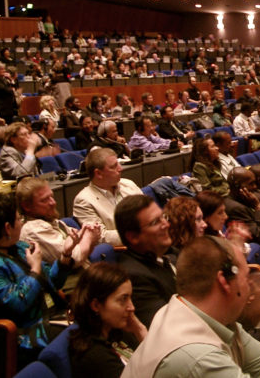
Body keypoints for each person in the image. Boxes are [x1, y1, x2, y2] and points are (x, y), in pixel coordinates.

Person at [121, 236, 260, 378]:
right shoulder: (196, 358)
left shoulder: (208, 318)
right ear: (225, 282)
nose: (251, 286)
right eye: (246, 277)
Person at [0, 192, 79, 362]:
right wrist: (35, 270)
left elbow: (53, 282)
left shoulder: (20, 247)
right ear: (7, 228)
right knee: (84, 338)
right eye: (19, 219)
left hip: (51, 315)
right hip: (25, 333)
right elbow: (18, 304)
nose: (22, 223)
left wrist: (65, 255)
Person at [69, 263, 148, 378]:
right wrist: (142, 333)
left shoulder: (116, 331)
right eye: (123, 299)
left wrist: (140, 330)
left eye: (130, 298)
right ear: (96, 305)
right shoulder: (94, 356)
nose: (132, 307)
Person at [115, 194, 177, 328]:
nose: (166, 224)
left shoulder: (171, 254)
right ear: (133, 237)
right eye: (156, 222)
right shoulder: (134, 277)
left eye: (163, 217)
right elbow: (167, 326)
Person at [17, 177, 100, 268]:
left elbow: (84, 249)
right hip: (69, 280)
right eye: (44, 200)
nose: (53, 203)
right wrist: (89, 236)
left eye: (51, 196)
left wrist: (89, 233)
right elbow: (76, 259)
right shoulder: (34, 230)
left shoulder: (50, 220)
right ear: (27, 206)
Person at [73, 148, 143, 246]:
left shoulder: (128, 184)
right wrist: (140, 235)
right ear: (98, 173)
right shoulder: (84, 200)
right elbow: (101, 236)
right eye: (114, 166)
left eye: (118, 164)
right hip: (124, 252)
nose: (120, 168)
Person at [224, 167, 260, 246]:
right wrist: (258, 207)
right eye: (251, 184)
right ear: (237, 186)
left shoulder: (244, 200)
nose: (255, 187)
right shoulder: (236, 208)